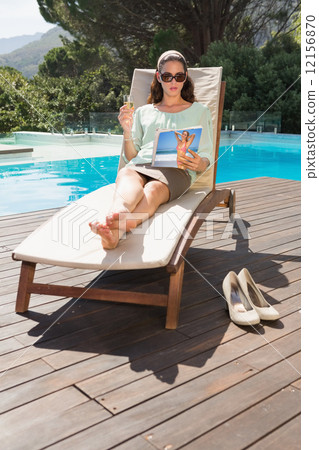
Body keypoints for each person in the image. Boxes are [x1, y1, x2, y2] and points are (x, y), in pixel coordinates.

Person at [89, 50, 214, 249]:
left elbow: (207, 153)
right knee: (128, 180)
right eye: (167, 76)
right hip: (141, 164)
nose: (173, 81)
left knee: (153, 190)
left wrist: (200, 163)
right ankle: (114, 229)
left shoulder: (200, 111)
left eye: (179, 76)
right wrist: (127, 131)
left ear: (185, 79)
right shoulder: (143, 112)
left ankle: (118, 227)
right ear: (159, 77)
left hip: (176, 170)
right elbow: (132, 155)